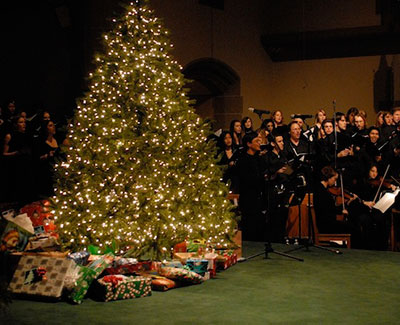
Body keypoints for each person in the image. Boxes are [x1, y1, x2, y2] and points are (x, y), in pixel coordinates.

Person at [236, 133, 266, 241]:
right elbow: (245, 179)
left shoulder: (260, 159)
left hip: (259, 197)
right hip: (248, 198)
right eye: (257, 141)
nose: (259, 143)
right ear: (249, 144)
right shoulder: (243, 160)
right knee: (249, 225)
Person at [2, 115, 34, 203]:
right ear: (15, 125)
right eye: (21, 122)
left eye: (24, 122)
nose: (24, 124)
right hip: (15, 166)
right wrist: (15, 153)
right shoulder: (10, 136)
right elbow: (3, 154)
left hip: (26, 164)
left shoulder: (27, 135)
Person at [34, 120, 61, 197]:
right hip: (46, 170)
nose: (53, 127)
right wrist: (48, 155)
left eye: (53, 125)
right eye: (50, 125)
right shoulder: (40, 142)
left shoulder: (57, 139)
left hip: (57, 168)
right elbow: (37, 158)